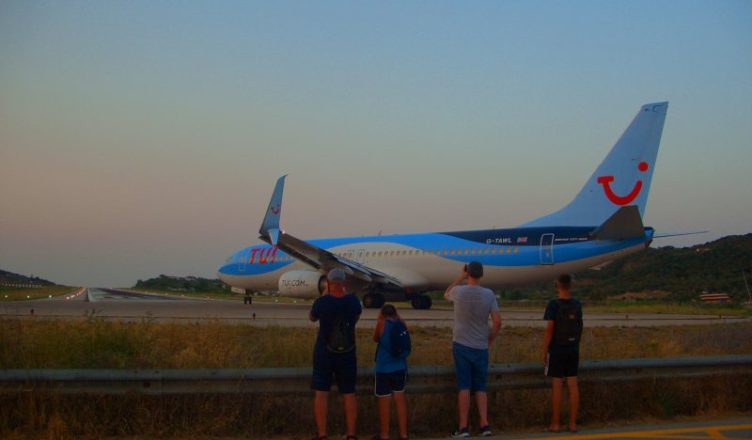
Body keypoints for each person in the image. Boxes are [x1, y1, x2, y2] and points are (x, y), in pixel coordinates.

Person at [444, 261, 502, 438]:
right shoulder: (488, 294)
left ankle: (463, 427)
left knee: (464, 386)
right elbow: (498, 322)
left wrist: (459, 277)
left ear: (468, 273)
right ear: (481, 275)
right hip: (480, 345)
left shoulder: (459, 292)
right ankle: (485, 425)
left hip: (461, 344)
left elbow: (446, 294)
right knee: (480, 387)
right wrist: (490, 338)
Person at [309, 268, 363, 440]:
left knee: (321, 393)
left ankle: (323, 434)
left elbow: (311, 317)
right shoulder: (353, 301)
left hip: (324, 352)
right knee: (349, 393)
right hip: (347, 352)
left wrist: (324, 295)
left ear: (329, 283)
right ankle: (351, 434)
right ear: (344, 283)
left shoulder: (322, 302)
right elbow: (356, 316)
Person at [541, 274, 583, 434]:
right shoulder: (577, 304)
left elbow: (550, 329)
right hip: (573, 348)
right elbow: (580, 326)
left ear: (556, 286)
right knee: (573, 385)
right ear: (570, 286)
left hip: (557, 349)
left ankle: (555, 424)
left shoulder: (553, 304)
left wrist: (544, 350)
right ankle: (572, 424)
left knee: (557, 385)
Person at [372, 304, 409, 440]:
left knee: (384, 401)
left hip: (383, 368)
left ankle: (384, 434)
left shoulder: (381, 324)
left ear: (382, 314)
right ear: (395, 313)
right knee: (400, 400)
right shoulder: (401, 324)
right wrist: (398, 317)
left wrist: (379, 320)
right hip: (400, 367)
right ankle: (403, 434)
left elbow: (375, 338)